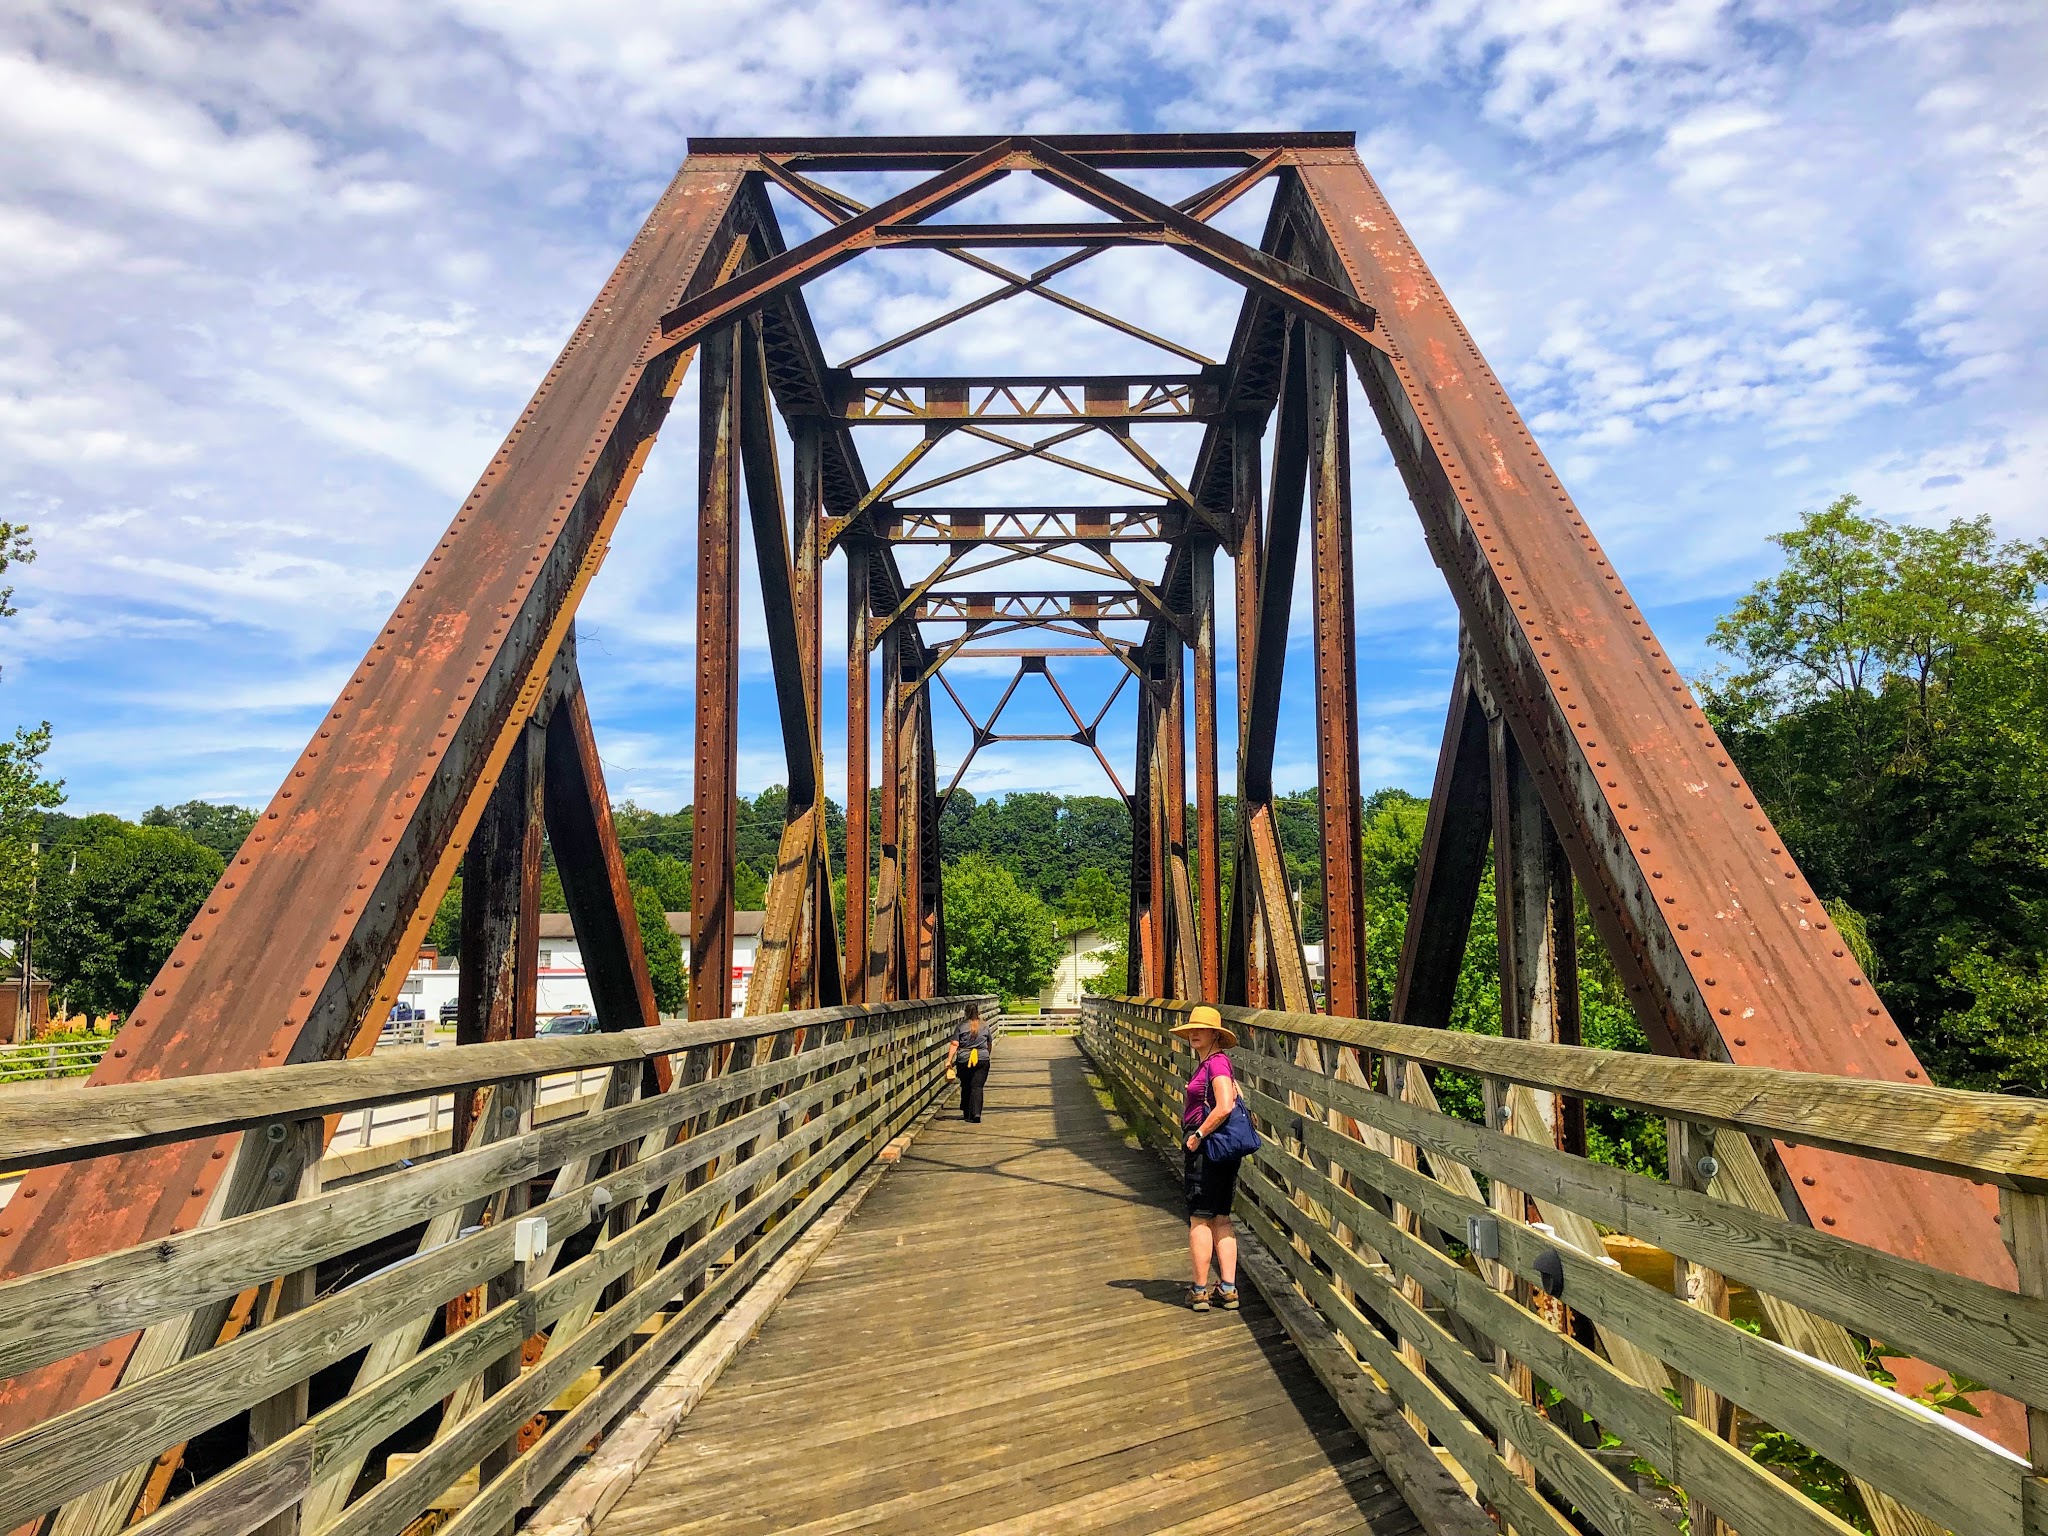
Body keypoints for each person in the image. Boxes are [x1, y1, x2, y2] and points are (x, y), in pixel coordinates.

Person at [1174, 1004, 1243, 1312]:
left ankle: (1200, 1290)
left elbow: (1225, 1105)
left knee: (1200, 1218)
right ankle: (1227, 1289)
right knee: (1221, 1218)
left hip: (1207, 1147)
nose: (1194, 1034)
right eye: (1191, 1029)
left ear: (1216, 1034)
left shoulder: (1216, 1064)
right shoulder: (1215, 1064)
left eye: (1201, 1030)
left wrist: (1198, 1134)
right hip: (1224, 1148)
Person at [945, 1009, 994, 1123]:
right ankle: (976, 1113)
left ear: (966, 1013)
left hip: (964, 1059)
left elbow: (955, 1043)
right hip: (982, 1058)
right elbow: (989, 1043)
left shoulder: (961, 1026)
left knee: (966, 1085)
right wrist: (986, 1055)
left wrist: (949, 1060)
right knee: (977, 1087)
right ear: (978, 1013)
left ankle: (967, 1112)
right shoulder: (984, 1025)